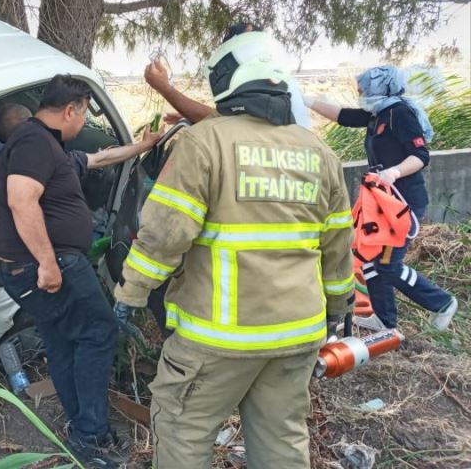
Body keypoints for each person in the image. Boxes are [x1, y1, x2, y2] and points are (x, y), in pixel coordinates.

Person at [113, 30, 355, 468]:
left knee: (184, 432)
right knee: (282, 442)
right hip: (297, 334)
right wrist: (339, 305)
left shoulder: (205, 142)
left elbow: (165, 233)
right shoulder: (318, 151)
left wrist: (130, 293)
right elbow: (338, 244)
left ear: (227, 80)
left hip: (218, 338)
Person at [0, 75, 163, 468]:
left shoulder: (48, 147)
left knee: (63, 339)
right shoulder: (34, 141)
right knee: (99, 331)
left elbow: (97, 159)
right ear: (71, 109)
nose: (83, 123)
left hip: (37, 264)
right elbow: (21, 201)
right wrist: (49, 264)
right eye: (83, 114)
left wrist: (143, 146)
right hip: (47, 264)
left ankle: (80, 426)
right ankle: (92, 436)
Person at [304, 65, 457, 331]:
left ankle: (442, 303)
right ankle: (384, 320)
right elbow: (342, 116)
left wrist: (394, 172)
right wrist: (304, 100)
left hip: (402, 201)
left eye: (362, 89)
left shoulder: (400, 113)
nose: (359, 92)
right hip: (380, 203)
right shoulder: (377, 114)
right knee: (370, 256)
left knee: (388, 265)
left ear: (380, 87)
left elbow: (421, 155)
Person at [144, 21, 311, 128]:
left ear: (248, 32)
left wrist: (165, 88)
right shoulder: (275, 79)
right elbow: (233, 117)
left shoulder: (264, 79)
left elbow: (228, 123)